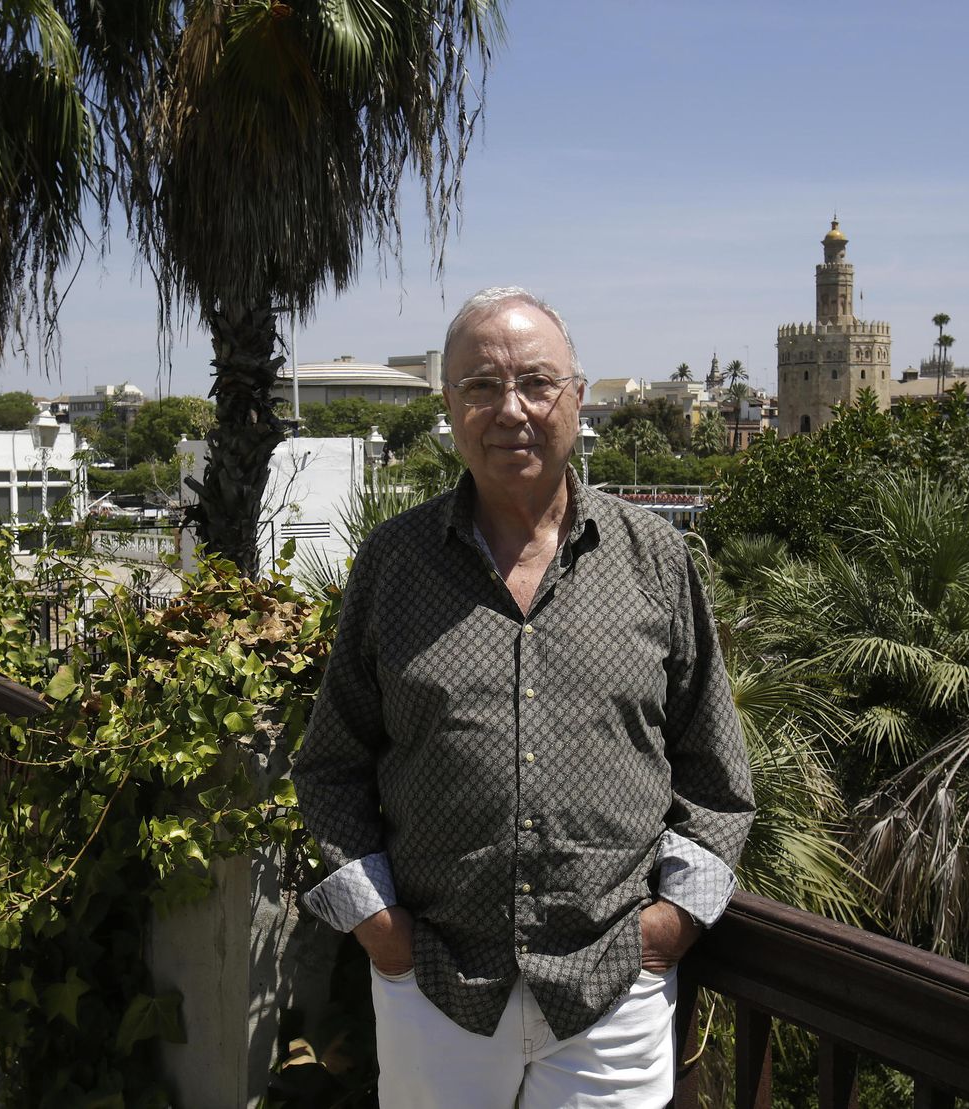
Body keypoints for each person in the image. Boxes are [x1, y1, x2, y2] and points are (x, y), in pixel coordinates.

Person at [291, 286, 754, 1107]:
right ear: (449, 406)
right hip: (435, 987)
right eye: (480, 386)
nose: (511, 409)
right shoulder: (393, 566)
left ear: (576, 398)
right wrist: (382, 933)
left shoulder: (654, 559)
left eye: (537, 383)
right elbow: (332, 766)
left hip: (610, 995)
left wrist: (670, 926)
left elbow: (714, 774)